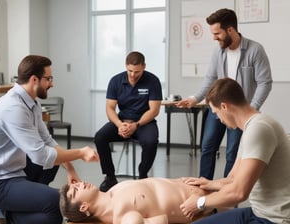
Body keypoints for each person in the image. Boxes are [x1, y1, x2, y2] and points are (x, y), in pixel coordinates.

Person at [0, 55, 100, 224]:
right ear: (34, 79)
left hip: (13, 171)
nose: (52, 83)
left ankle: (19, 205)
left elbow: (47, 141)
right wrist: (81, 152)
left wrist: (69, 167)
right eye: (49, 79)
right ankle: (3, 214)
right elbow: (41, 156)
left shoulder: (32, 104)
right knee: (56, 203)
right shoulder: (13, 108)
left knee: (53, 164)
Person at [176, 8, 272, 180]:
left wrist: (252, 108)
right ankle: (202, 189)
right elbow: (210, 79)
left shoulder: (255, 50)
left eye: (217, 33)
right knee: (207, 147)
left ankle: (226, 193)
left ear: (230, 30)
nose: (214, 38)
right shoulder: (218, 51)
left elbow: (265, 82)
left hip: (238, 111)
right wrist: (195, 98)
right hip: (217, 107)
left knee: (232, 152)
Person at [180, 78, 290, 223]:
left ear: (224, 106)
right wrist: (209, 184)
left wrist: (201, 203)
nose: (218, 119)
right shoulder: (251, 127)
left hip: (275, 220)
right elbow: (233, 178)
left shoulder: (259, 129)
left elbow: (239, 193)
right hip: (258, 212)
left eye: (216, 112)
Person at [94, 51, 162, 192]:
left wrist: (136, 125)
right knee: (100, 136)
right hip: (122, 121)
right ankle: (110, 176)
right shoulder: (116, 81)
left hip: (144, 123)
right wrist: (119, 125)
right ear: (126, 66)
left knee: (151, 141)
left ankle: (142, 175)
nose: (132, 75)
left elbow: (154, 110)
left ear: (144, 66)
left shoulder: (153, 81)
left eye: (137, 71)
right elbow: (110, 107)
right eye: (130, 70)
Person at [59, 178, 216, 224]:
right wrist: (198, 206)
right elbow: (163, 221)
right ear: (83, 207)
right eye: (75, 191)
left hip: (196, 185)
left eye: (76, 184)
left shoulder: (113, 190)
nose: (79, 184)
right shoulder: (122, 216)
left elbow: (152, 182)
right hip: (200, 203)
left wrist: (178, 180)